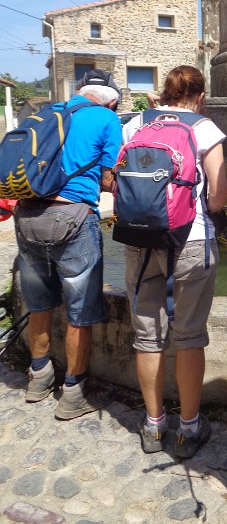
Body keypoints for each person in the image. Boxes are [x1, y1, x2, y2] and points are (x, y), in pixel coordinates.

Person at [122, 65, 227, 459]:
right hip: (191, 240)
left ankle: (153, 425)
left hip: (139, 240)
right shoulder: (204, 128)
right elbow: (218, 195)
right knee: (189, 336)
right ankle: (188, 427)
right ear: (200, 96)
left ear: (165, 92)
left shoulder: (136, 125)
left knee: (147, 338)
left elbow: (116, 178)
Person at [14, 79, 122, 419]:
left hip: (27, 215)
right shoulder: (106, 119)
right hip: (72, 217)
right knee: (80, 310)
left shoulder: (48, 112)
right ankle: (74, 392)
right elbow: (108, 178)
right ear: (111, 102)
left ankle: (39, 376)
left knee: (38, 303)